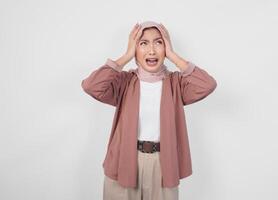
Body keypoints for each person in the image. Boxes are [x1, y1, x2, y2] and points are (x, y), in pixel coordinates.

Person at [81, 21, 217, 200]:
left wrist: (173, 55)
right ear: (135, 49)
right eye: (143, 43)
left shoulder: (176, 83)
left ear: (165, 47)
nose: (151, 50)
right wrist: (126, 55)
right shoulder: (124, 81)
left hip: (163, 164)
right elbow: (91, 86)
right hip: (124, 160)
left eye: (158, 42)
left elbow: (207, 85)